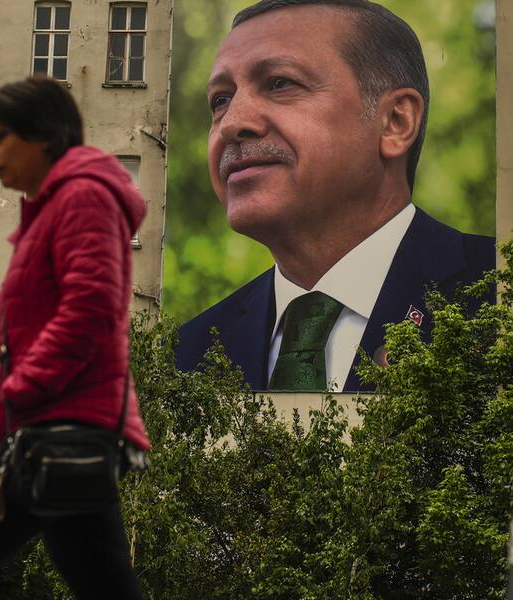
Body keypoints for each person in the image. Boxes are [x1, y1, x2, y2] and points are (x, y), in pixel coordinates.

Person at [175, 0, 495, 392]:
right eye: (220, 100)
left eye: (280, 83)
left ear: (395, 121)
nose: (232, 124)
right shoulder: (182, 361)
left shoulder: (499, 296)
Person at [0, 77, 150, 599]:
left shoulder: (84, 199)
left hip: (61, 430)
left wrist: (20, 397)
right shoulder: (47, 214)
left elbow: (90, 310)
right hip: (55, 430)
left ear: (44, 135)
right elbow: (9, 367)